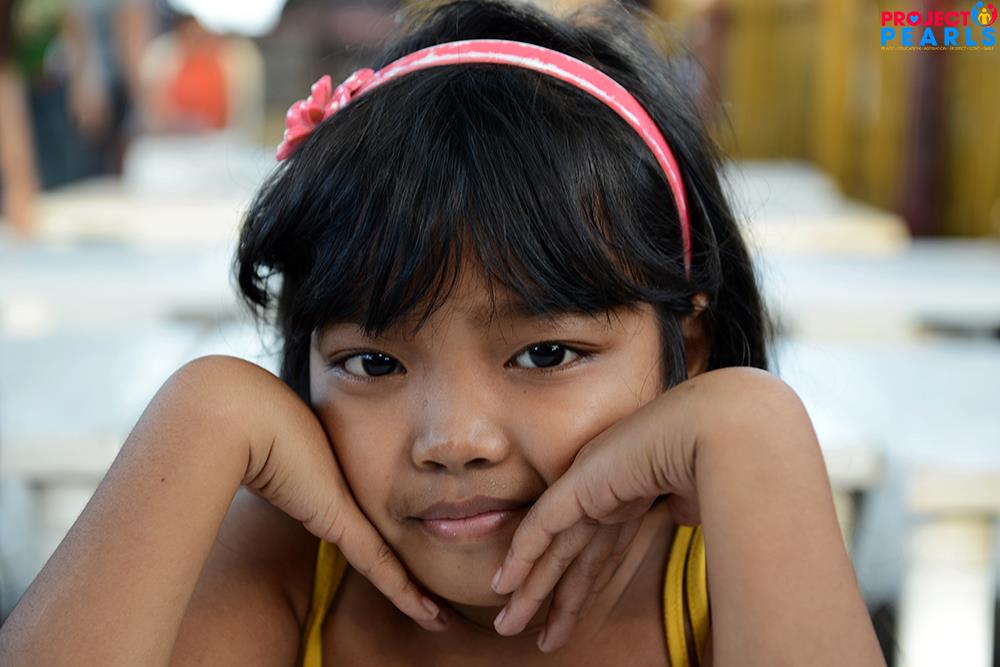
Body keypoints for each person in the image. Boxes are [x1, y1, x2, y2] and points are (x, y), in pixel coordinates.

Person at [0, 0, 886, 664]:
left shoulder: (729, 574)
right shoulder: (293, 566)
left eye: (546, 353)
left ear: (685, 348)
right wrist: (204, 412)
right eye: (372, 361)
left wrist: (752, 428)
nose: (453, 440)